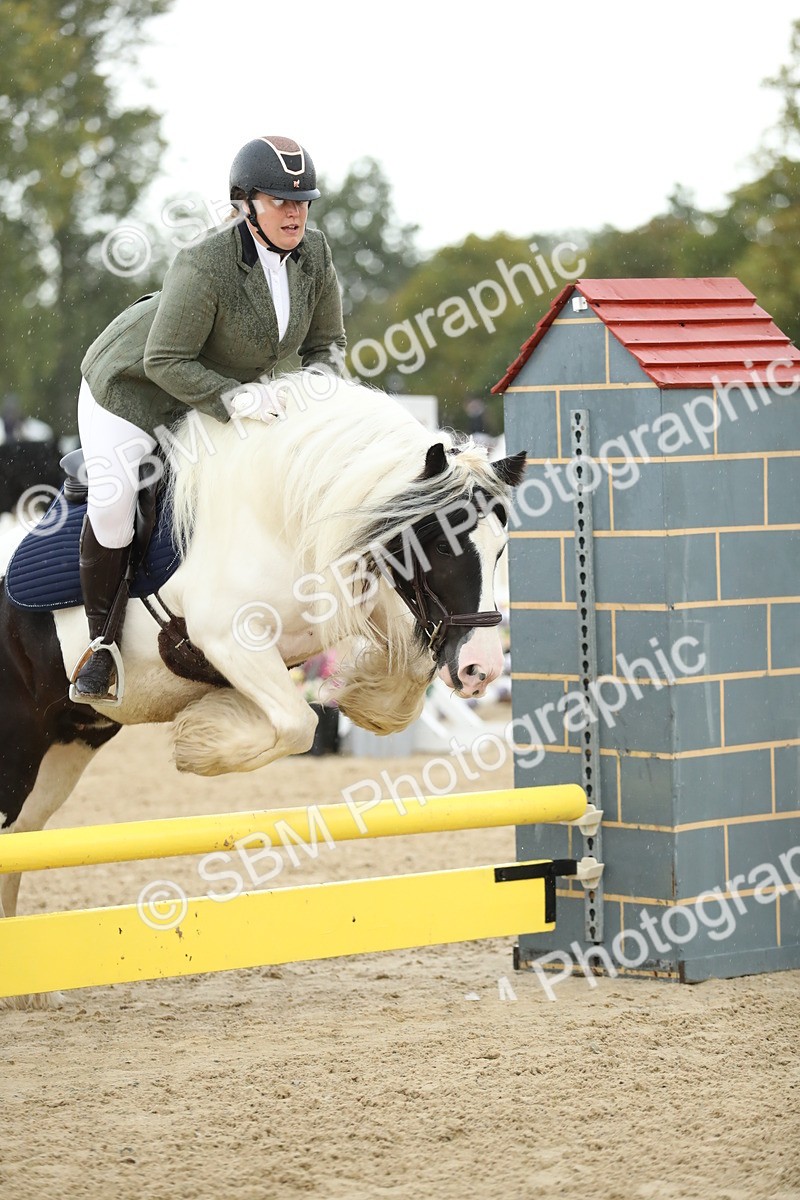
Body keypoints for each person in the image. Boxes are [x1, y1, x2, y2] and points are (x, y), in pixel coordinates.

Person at [71, 135, 347, 703]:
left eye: (302, 201)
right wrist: (237, 399)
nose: (294, 212)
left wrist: (320, 400)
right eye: (279, 201)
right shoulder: (205, 261)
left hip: (215, 389)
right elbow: (164, 360)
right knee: (115, 499)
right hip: (133, 391)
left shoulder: (314, 254)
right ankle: (100, 648)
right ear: (245, 204)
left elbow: (327, 346)